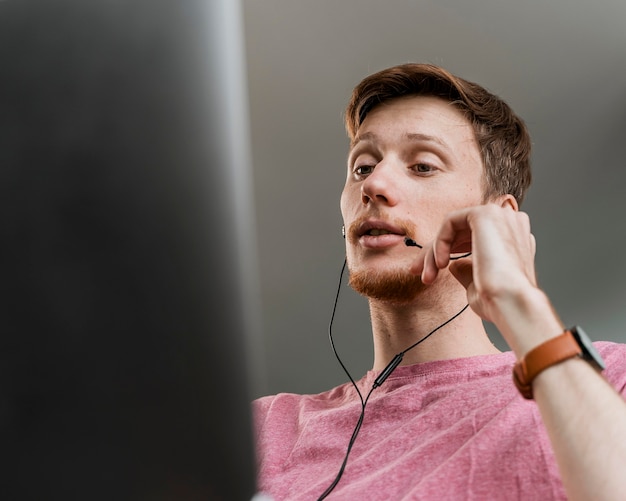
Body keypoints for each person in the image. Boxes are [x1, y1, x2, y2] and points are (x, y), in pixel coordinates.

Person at [253, 63, 626, 500]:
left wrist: (520, 302)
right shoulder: (263, 428)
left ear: (498, 219)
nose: (373, 184)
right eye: (362, 166)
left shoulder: (605, 380)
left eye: (423, 166)